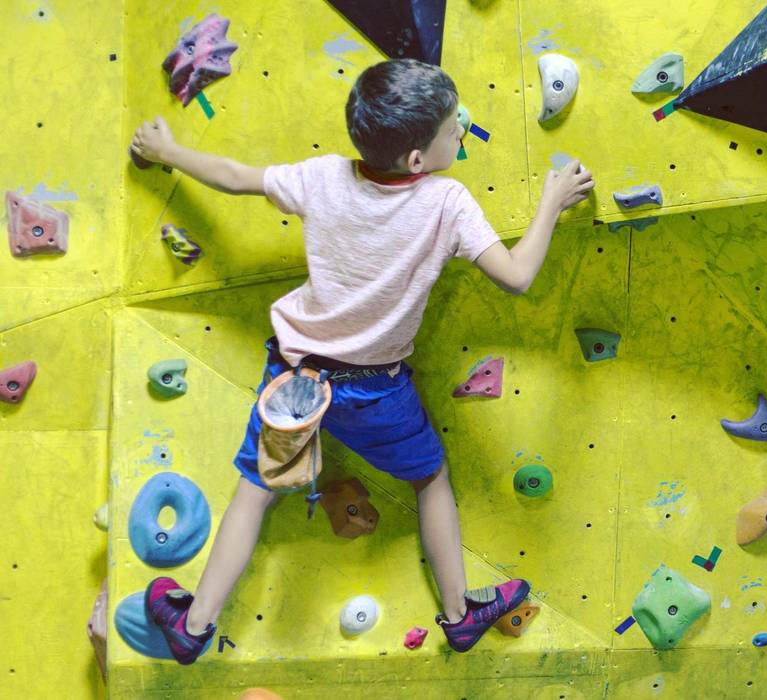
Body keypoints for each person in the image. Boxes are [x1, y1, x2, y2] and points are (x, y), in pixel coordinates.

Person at [129, 58, 595, 663]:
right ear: (417, 161)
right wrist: (552, 202)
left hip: (296, 379)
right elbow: (517, 275)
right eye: (455, 127)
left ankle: (193, 626)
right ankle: (458, 615)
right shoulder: (448, 202)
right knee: (429, 477)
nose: (461, 132)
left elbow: (234, 176)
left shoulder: (325, 177)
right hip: (376, 391)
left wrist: (167, 151)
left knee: (255, 488)